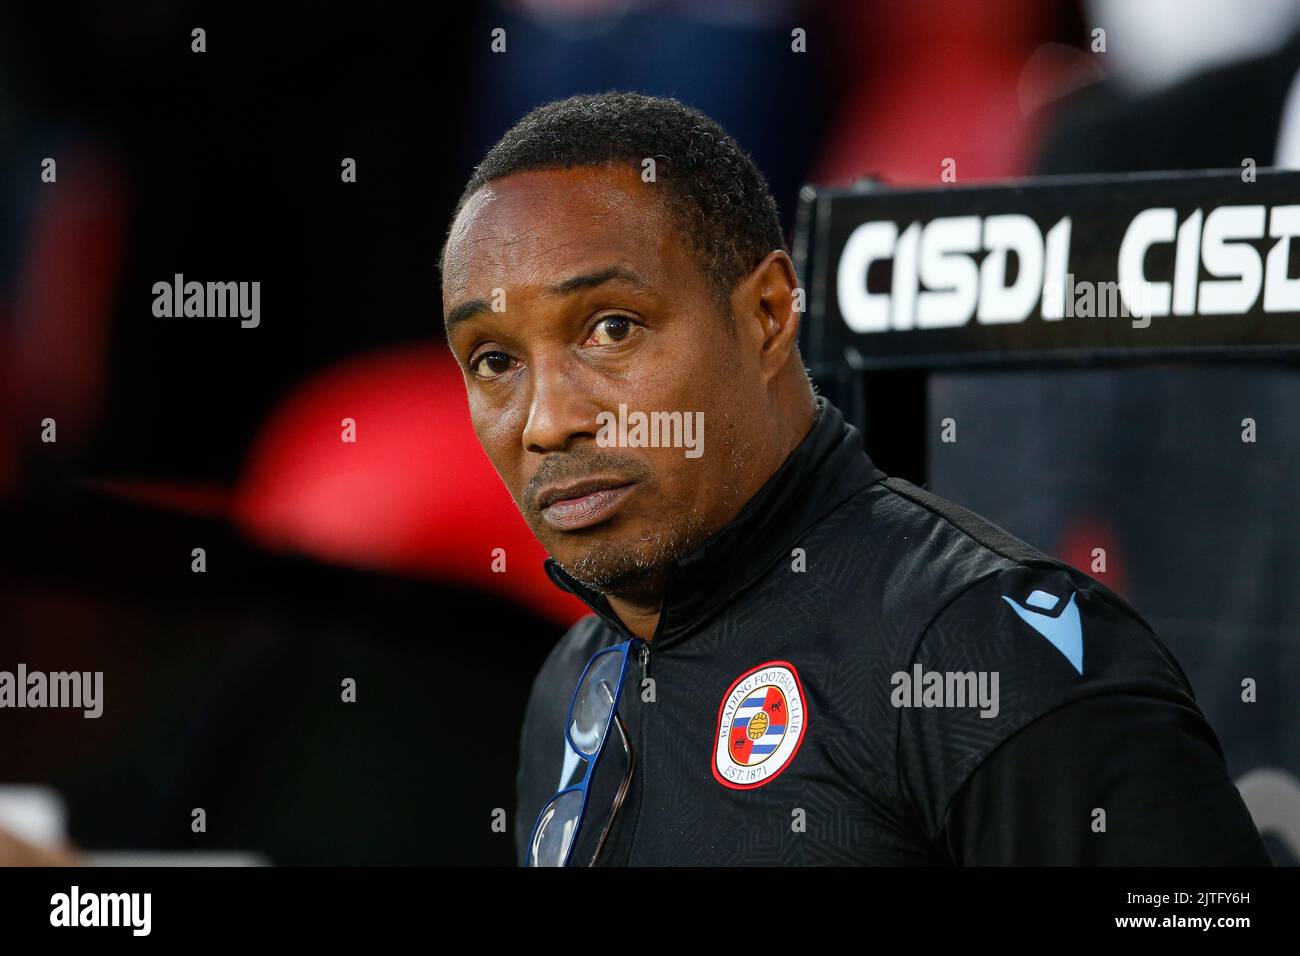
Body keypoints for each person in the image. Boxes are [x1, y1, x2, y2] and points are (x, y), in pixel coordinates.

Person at [438, 91, 1273, 866]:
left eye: (611, 329)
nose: (547, 421)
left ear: (767, 316)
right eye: (496, 360)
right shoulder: (570, 684)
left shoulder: (994, 659)